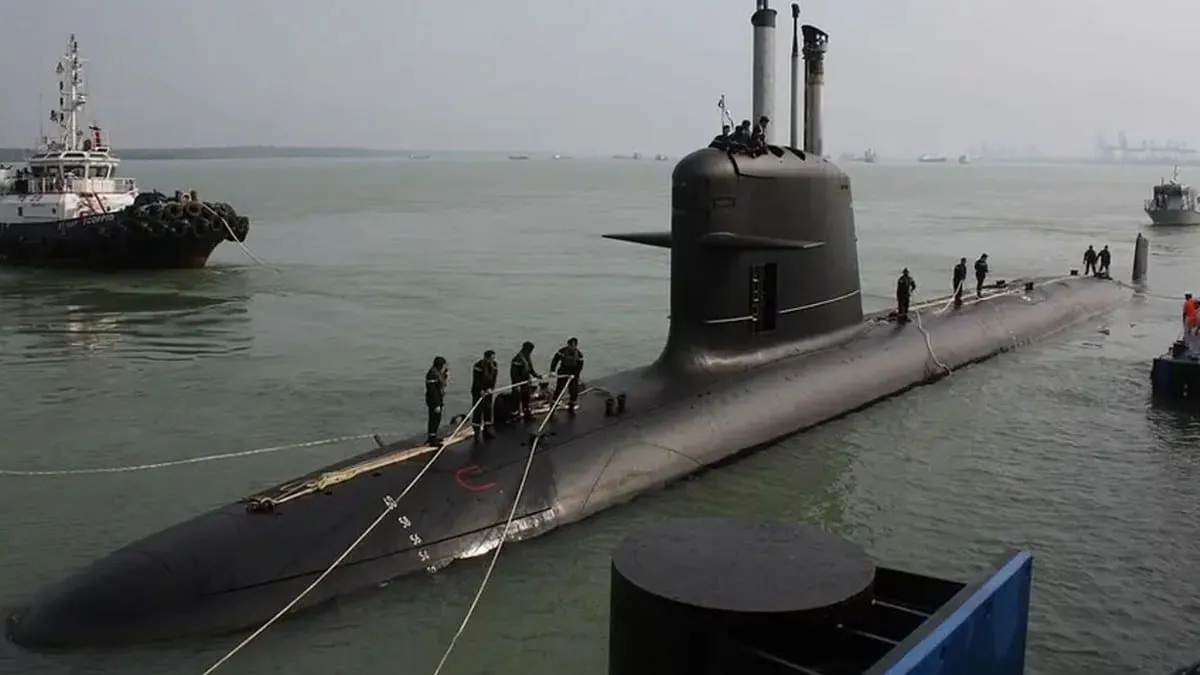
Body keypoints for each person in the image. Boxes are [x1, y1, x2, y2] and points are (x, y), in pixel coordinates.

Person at [550, 337, 585, 413]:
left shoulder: (579, 355)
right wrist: (552, 370)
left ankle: (571, 406)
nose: (571, 347)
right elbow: (555, 360)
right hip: (563, 371)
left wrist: (575, 374)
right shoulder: (562, 351)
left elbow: (580, 366)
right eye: (570, 345)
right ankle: (553, 405)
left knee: (573, 390)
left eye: (573, 345)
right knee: (559, 389)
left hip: (573, 373)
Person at [470, 350, 499, 441]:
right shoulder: (478, 366)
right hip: (478, 391)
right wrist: (481, 390)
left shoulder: (494, 365)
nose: (493, 360)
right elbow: (477, 379)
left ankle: (487, 429)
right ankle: (477, 432)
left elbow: (494, 378)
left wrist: (491, 388)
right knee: (478, 410)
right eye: (491, 358)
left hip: (488, 391)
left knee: (488, 409)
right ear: (486, 358)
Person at [510, 341, 541, 422]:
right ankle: (515, 416)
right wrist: (516, 385)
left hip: (526, 382)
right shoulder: (517, 359)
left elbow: (530, 369)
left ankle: (527, 414)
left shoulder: (527, 357)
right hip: (519, 382)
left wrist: (536, 375)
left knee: (526, 398)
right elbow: (514, 373)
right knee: (516, 399)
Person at [424, 356, 448, 445]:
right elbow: (433, 391)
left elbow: (441, 382)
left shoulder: (438, 373)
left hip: (438, 398)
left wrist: (445, 375)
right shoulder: (432, 375)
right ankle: (431, 438)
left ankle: (434, 436)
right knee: (434, 418)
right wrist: (436, 404)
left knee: (437, 418)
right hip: (433, 400)